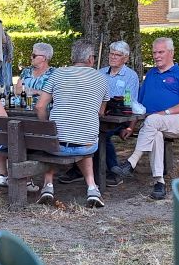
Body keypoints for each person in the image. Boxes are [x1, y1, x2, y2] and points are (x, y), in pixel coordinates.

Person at [111, 37, 179, 200]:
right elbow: (139, 105)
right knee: (155, 133)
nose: (156, 56)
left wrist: (163, 113)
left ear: (171, 53)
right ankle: (159, 183)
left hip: (178, 121)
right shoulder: (151, 74)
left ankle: (131, 162)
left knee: (152, 120)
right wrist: (130, 126)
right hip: (154, 125)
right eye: (154, 53)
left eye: (161, 52)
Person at [34, 39, 109, 208]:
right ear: (90, 58)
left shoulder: (57, 74)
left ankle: (48, 185)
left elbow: (40, 106)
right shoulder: (101, 78)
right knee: (84, 140)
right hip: (86, 145)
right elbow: (100, 112)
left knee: (52, 140)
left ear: (72, 57)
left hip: (57, 146)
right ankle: (92, 187)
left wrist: (46, 128)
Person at [57, 40, 140, 188]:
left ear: (126, 58)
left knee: (102, 134)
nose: (113, 57)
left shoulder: (130, 76)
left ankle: (114, 170)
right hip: (97, 115)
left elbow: (131, 102)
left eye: (117, 55)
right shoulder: (100, 72)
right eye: (111, 54)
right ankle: (79, 168)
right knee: (82, 129)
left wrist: (130, 127)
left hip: (119, 117)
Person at [14, 42, 55, 107]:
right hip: (21, 108)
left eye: (34, 56)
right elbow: (18, 90)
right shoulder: (27, 71)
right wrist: (36, 91)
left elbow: (55, 95)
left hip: (43, 109)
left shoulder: (53, 73)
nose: (31, 57)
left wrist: (26, 90)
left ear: (43, 58)